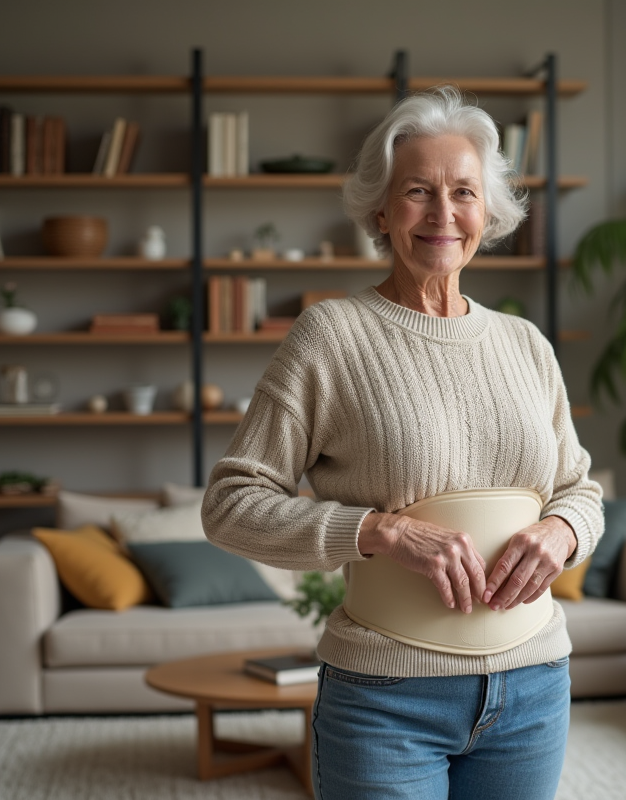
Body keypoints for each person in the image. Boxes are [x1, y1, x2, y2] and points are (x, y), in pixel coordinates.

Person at [202, 86, 604, 800]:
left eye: (463, 192)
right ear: (381, 211)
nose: (443, 213)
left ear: (490, 211)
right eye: (418, 191)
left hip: (535, 686)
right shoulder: (330, 335)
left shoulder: (527, 345)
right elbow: (231, 503)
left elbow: (580, 488)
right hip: (387, 697)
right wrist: (378, 532)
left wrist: (562, 531)